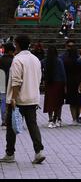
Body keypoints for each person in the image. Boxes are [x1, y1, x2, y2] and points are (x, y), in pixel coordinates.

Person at [0, 35, 45, 164]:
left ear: (17, 45)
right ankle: (39, 151)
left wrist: (13, 98)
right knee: (32, 125)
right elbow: (39, 77)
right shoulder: (35, 59)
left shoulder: (17, 60)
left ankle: (10, 153)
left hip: (18, 99)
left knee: (11, 127)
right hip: (32, 98)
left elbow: (16, 81)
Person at [42, 46, 66, 128]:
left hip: (49, 83)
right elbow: (63, 73)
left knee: (50, 102)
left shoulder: (45, 61)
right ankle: (58, 119)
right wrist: (65, 84)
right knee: (58, 102)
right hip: (58, 83)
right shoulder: (59, 61)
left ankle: (50, 119)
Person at [61, 42, 81, 125]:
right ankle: (79, 117)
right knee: (79, 101)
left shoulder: (65, 60)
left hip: (69, 82)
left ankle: (74, 119)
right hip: (78, 82)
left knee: (72, 102)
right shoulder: (80, 60)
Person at [0, 43, 15, 127]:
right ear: (10, 51)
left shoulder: (0, 59)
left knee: (2, 102)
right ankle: (8, 119)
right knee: (8, 102)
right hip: (10, 84)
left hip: (1, 83)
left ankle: (4, 120)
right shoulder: (12, 61)